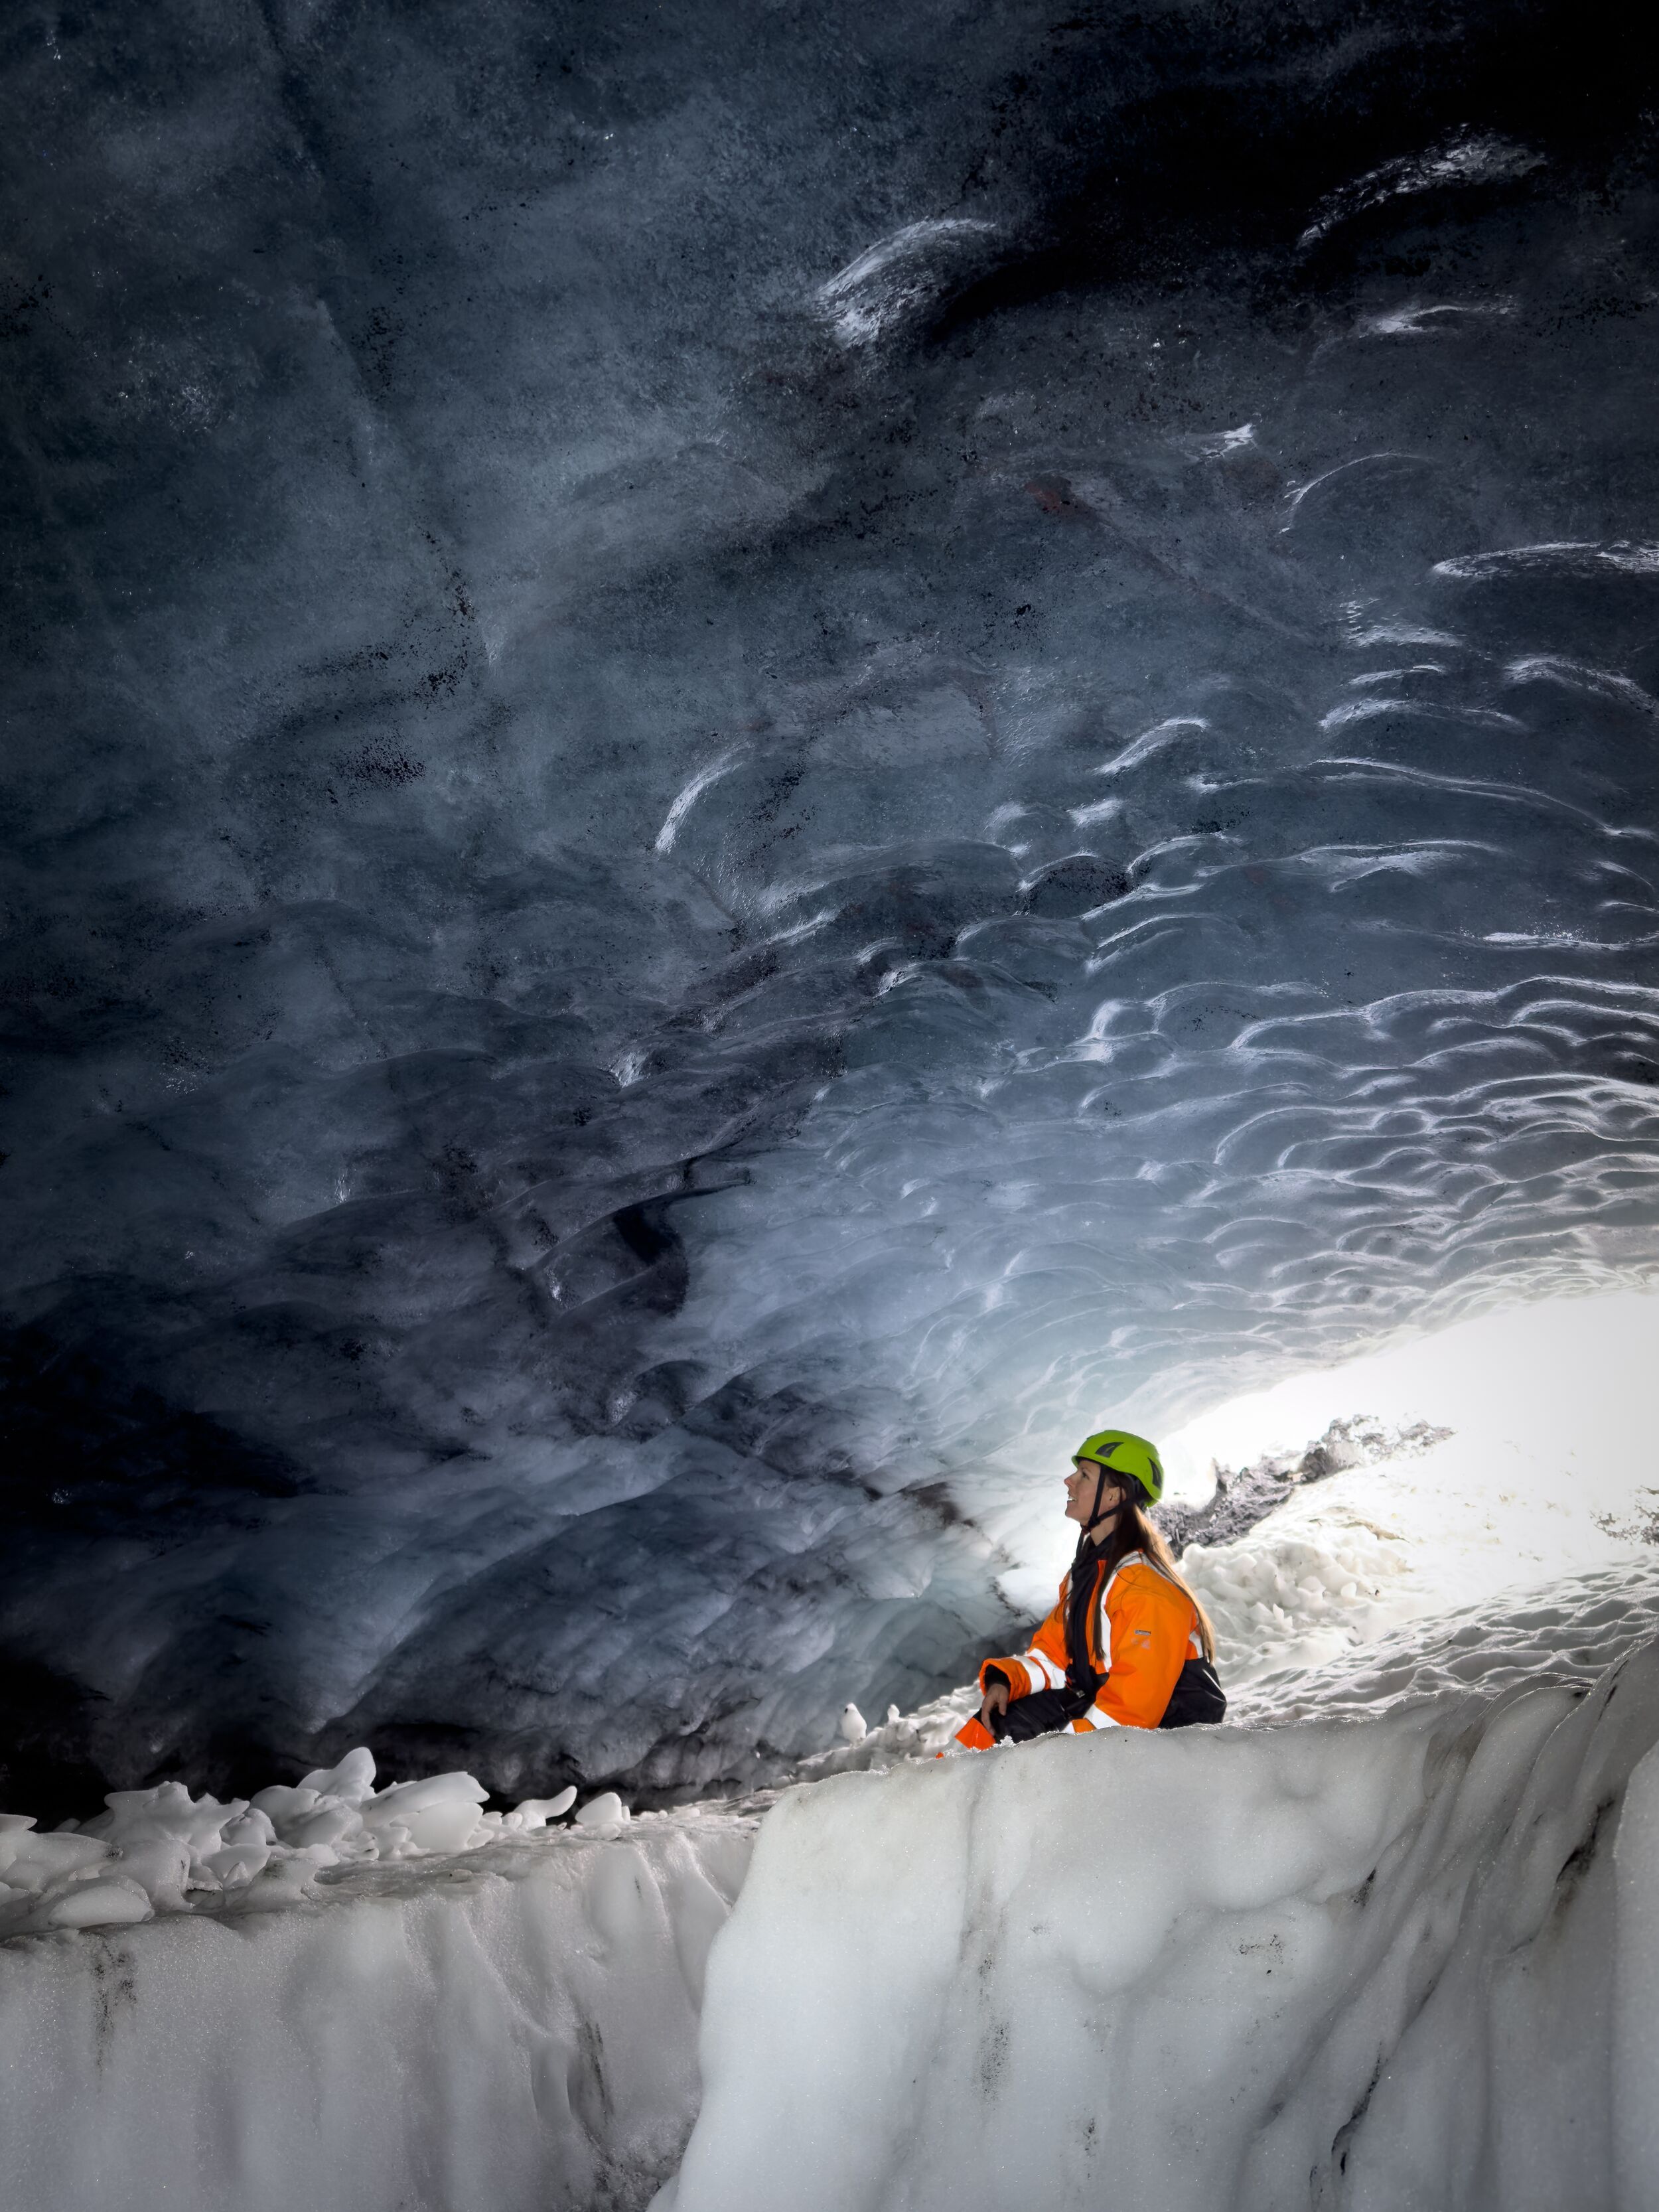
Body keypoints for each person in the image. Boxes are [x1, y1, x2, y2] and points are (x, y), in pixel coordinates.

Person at [953, 1429, 1225, 1751]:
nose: (1069, 1481)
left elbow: (1132, 1712)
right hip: (1112, 1714)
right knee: (992, 1727)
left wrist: (1063, 1756)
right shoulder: (1087, 1576)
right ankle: (938, 1796)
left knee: (1021, 1758)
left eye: (1084, 1474)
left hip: (1174, 1743)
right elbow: (1055, 1658)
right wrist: (1007, 1681)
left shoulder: (1144, 1589)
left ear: (1115, 1495)